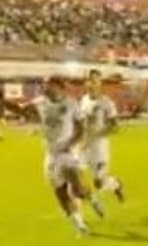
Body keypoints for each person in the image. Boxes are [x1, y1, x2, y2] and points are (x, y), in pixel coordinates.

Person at [35, 75, 101, 236]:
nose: (44, 88)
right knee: (60, 192)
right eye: (43, 85)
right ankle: (79, 225)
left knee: (77, 190)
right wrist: (0, 101)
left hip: (67, 153)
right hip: (51, 155)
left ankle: (90, 197)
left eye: (48, 85)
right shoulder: (39, 102)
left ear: (58, 87)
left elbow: (80, 129)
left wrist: (70, 144)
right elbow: (21, 109)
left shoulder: (71, 103)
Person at [80, 69, 125, 205]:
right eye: (89, 81)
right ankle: (78, 210)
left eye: (94, 81)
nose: (91, 84)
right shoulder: (83, 100)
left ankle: (116, 184)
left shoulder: (106, 103)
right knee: (74, 176)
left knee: (99, 183)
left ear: (99, 84)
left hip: (99, 149)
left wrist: (96, 134)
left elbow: (116, 127)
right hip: (83, 147)